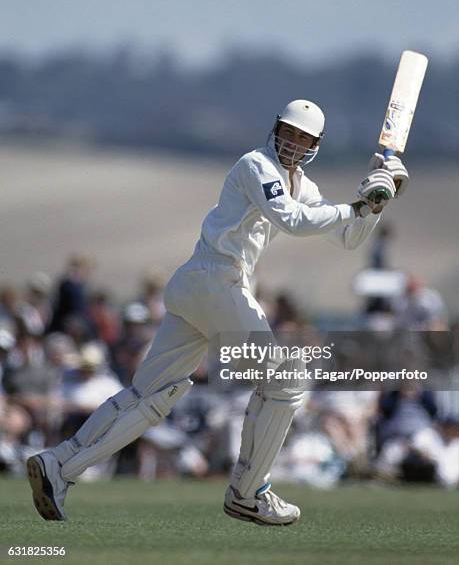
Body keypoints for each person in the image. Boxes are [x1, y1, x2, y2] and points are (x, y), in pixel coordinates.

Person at [27, 99, 408, 525]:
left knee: (149, 397)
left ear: (315, 144)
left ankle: (59, 465)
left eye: (303, 138)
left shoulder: (302, 185)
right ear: (276, 129)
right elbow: (294, 220)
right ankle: (249, 492)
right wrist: (357, 205)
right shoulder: (255, 165)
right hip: (215, 280)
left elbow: (347, 238)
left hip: (203, 288)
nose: (293, 143)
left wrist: (376, 202)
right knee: (286, 381)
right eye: (289, 132)